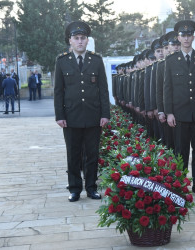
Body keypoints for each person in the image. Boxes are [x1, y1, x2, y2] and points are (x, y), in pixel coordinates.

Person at [54, 21, 110, 202]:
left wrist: (105, 114)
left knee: (92, 154)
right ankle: (75, 189)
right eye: (76, 38)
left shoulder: (96, 60)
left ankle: (92, 187)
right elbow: (58, 91)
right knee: (73, 154)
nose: (80, 41)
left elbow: (103, 89)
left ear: (87, 40)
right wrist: (60, 116)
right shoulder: (62, 61)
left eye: (83, 38)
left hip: (93, 116)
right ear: (70, 41)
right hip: (71, 117)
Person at [163, 20, 195, 195]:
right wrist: (169, 112)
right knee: (181, 152)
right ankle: (181, 184)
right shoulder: (171, 60)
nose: (186, 38)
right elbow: (167, 89)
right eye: (182, 35)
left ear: (193, 37)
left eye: (189, 35)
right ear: (178, 37)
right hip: (180, 115)